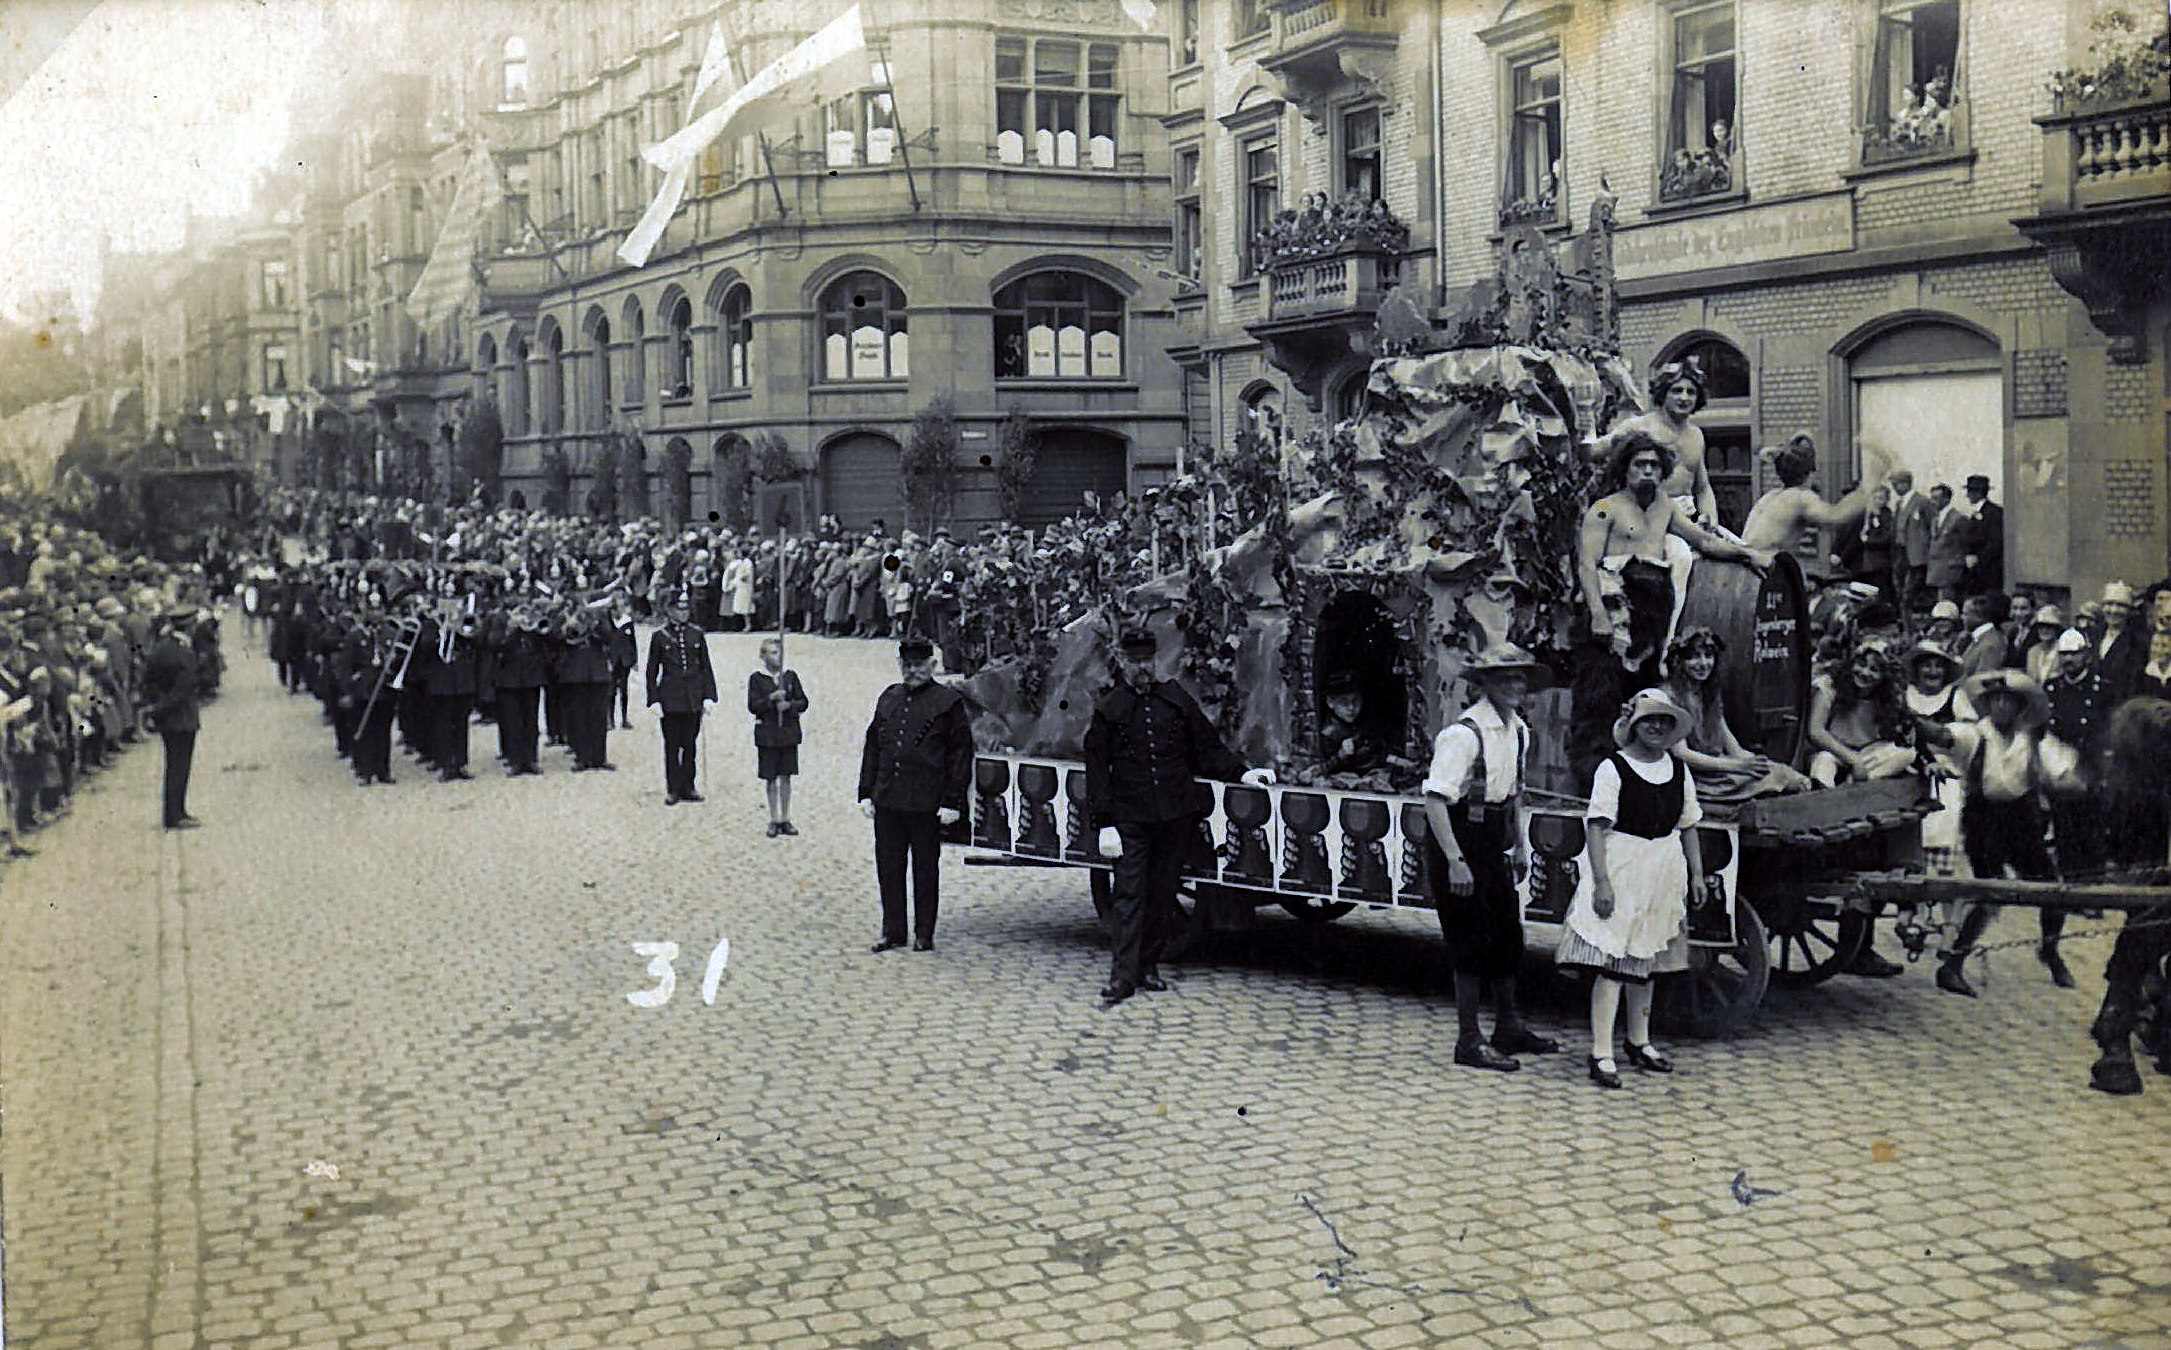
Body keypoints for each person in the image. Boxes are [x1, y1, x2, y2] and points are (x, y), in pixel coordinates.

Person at [1573, 432, 1772, 787]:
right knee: (1601, 700)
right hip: (1613, 613)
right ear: (1624, 468)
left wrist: (1747, 553)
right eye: (1640, 464)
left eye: (1654, 465)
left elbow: (1703, 540)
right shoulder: (1605, 508)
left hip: (1651, 616)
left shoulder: (1665, 507)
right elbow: (1587, 565)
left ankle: (1639, 779)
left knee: (1644, 697)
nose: (1647, 471)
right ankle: (1594, 782)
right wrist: (1598, 615)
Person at [1556, 689, 1706, 1090]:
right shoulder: (1614, 768)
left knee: (1646, 958)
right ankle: (1601, 1051)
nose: (1656, 727)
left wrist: (1696, 874)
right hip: (1623, 865)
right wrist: (1602, 881)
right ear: (1634, 725)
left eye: (1664, 721)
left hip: (1663, 867)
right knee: (1614, 961)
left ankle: (1639, 1040)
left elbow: (1689, 824)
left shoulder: (1678, 770)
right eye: (1648, 720)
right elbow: (1596, 826)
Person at [1420, 643, 1560, 1071]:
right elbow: (1435, 801)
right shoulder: (1463, 734)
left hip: (1494, 837)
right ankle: (1468, 1040)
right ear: (1485, 683)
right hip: (1459, 835)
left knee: (1505, 933)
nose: (1515, 686)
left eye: (1520, 678)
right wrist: (1455, 861)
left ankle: (1508, 1026)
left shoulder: (1519, 730)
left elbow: (1514, 794)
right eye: (1505, 678)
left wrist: (1519, 845)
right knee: (1468, 938)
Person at [1912, 668, 2079, 997]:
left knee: (2053, 890)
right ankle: (1952, 965)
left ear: (2020, 707)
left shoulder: (2034, 740)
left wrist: (2075, 785)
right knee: (1989, 892)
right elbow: (1943, 735)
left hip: (2023, 822)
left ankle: (2050, 950)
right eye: (1995, 700)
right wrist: (1909, 719)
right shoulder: (1975, 735)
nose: (2001, 706)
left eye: (2008, 700)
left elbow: (2064, 775)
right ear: (1987, 704)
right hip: (1983, 822)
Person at [859, 636, 974, 954]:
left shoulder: (947, 702)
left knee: (925, 869)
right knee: (889, 867)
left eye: (919, 665)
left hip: (926, 801)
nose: (913, 671)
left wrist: (952, 800)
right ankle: (893, 930)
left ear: (932, 665)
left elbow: (960, 753)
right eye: (907, 665)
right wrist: (866, 791)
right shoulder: (889, 698)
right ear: (900, 665)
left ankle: (924, 932)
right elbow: (873, 746)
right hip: (889, 797)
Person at [1658, 626, 1811, 806]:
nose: (1703, 663)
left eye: (1708, 656)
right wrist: (1737, 766)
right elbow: (1682, 754)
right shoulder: (1670, 697)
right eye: (1693, 657)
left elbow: (1729, 742)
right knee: (1772, 781)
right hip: (1696, 775)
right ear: (1679, 661)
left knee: (1785, 774)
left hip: (1721, 767)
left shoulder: (1708, 693)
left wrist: (1754, 762)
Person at [1739, 435, 1883, 553]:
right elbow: (1837, 516)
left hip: (1746, 568)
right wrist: (1870, 484)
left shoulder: (1769, 496)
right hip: (1764, 571)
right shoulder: (1800, 497)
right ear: (1810, 473)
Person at [1806, 637, 1915, 787]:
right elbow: (1816, 731)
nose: (1864, 673)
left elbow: (1901, 733)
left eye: (1874, 670)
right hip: (1835, 749)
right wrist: (1853, 760)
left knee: (1906, 754)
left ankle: (1852, 786)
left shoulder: (1888, 696)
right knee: (1824, 761)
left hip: (1867, 752)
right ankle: (1825, 794)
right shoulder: (1831, 685)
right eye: (1861, 664)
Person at [646, 592, 716, 805]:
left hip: (692, 696)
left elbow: (705, 667)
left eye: (686, 608)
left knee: (690, 744)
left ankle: (688, 786)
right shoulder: (660, 637)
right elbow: (652, 671)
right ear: (670, 610)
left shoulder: (697, 634)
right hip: (670, 696)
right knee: (672, 744)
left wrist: (709, 696)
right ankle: (673, 788)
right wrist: (654, 699)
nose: (684, 613)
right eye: (679, 609)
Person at [141, 607, 204, 830]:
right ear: (190, 626)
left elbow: (148, 679)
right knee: (180, 767)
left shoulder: (161, 648)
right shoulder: (184, 652)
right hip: (182, 717)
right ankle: (175, 814)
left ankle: (174, 812)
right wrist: (161, 708)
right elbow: (184, 689)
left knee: (172, 765)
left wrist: (155, 707)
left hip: (167, 718)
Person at [747, 637, 808, 837]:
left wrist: (789, 705)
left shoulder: (790, 676)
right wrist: (770, 700)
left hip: (787, 732)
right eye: (772, 653)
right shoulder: (757, 679)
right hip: (768, 734)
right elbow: (753, 706)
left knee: (786, 776)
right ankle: (774, 818)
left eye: (779, 652)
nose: (777, 657)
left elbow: (803, 702)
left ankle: (786, 817)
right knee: (771, 777)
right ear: (763, 656)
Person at [1889, 469, 1936, 619]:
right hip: (1901, 551)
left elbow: (1933, 526)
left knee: (1910, 592)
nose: (1894, 488)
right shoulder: (1899, 504)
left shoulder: (1922, 502)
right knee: (1899, 588)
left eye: (1896, 484)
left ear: (1906, 484)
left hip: (1917, 554)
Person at [1960, 474, 2004, 597]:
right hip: (1976, 570)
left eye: (1970, 491)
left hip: (1988, 569)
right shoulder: (1977, 512)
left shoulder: (1993, 512)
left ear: (1978, 493)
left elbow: (1996, 541)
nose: (1967, 495)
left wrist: (1978, 558)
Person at [1924, 484, 1968, 604]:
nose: (1932, 502)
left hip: (1950, 566)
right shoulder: (1935, 519)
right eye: (1932, 498)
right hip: (1937, 567)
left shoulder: (1958, 518)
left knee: (1948, 601)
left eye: (1936, 498)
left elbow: (1965, 543)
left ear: (1946, 499)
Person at [1957, 592, 2009, 677]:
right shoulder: (1976, 639)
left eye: (1965, 614)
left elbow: (1983, 679)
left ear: (1979, 617)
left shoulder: (1990, 645)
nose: (1961, 617)